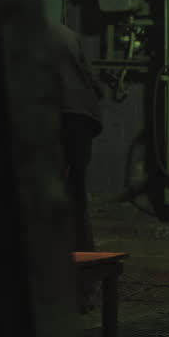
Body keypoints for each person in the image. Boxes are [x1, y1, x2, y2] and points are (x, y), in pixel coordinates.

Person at [50, 19, 105, 253]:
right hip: (82, 116)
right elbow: (92, 80)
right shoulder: (68, 33)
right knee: (77, 187)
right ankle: (84, 253)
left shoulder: (23, 35)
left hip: (56, 114)